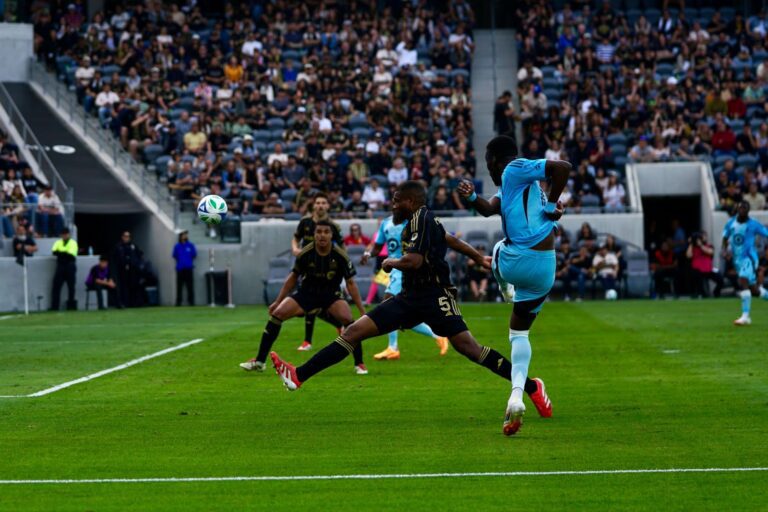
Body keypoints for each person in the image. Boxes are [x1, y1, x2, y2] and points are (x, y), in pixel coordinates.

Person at [271, 183, 523, 432]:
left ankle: (530, 387)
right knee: (352, 332)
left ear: (410, 202)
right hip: (410, 298)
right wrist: (478, 257)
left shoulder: (421, 220)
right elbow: (448, 239)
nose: (392, 205)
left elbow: (414, 261)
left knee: (469, 348)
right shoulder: (420, 222)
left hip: (435, 298)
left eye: (395, 200)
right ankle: (298, 375)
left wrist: (391, 262)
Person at [458, 134, 570, 434]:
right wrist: (470, 198)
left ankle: (504, 286)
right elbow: (487, 208)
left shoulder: (514, 169)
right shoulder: (522, 187)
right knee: (519, 333)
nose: (489, 170)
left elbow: (562, 167)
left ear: (494, 160)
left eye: (487, 163)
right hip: (545, 268)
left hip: (516, 260)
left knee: (495, 251)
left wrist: (552, 205)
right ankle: (517, 395)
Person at [241, 220, 368, 374]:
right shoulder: (305, 253)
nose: (322, 235)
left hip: (331, 295)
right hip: (306, 294)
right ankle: (260, 361)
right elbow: (292, 278)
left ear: (331, 235)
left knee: (349, 321)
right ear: (314, 234)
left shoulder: (340, 256)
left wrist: (362, 311)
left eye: (326, 232)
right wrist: (277, 301)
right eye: (318, 232)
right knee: (277, 315)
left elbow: (351, 284)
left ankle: (359, 363)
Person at [360, 213, 450, 360]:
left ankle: (393, 348)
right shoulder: (386, 223)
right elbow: (377, 247)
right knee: (403, 317)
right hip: (394, 269)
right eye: (394, 201)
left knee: (388, 304)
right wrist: (368, 254)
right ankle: (437, 335)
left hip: (406, 267)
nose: (396, 205)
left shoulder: (413, 223)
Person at [291, 194, 344, 351]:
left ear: (328, 206)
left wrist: (341, 266)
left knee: (319, 303)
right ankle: (336, 326)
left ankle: (310, 340)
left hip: (326, 269)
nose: (320, 205)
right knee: (308, 303)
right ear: (313, 205)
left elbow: (341, 247)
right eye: (318, 203)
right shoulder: (304, 222)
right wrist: (295, 249)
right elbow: (295, 238)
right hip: (306, 266)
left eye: (323, 203)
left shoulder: (333, 226)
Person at [722, 201, 768, 325]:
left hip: (750, 258)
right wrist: (724, 250)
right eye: (740, 207)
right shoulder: (731, 222)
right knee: (754, 289)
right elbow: (725, 237)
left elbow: (766, 233)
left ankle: (745, 316)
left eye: (745, 208)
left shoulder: (753, 224)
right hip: (737, 260)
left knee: (742, 281)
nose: (742, 210)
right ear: (737, 208)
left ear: (748, 210)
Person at [686, 231, 722, 298]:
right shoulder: (693, 248)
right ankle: (702, 294)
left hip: (708, 269)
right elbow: (688, 256)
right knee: (695, 276)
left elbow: (710, 252)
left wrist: (701, 245)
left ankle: (716, 292)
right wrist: (691, 243)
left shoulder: (709, 246)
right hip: (697, 270)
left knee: (720, 278)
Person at [50, 227, 78, 311]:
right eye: (63, 234)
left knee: (71, 287)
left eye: (66, 234)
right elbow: (54, 252)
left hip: (70, 266)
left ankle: (71, 306)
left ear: (69, 234)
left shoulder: (73, 243)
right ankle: (55, 306)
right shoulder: (58, 242)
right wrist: (64, 253)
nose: (64, 236)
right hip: (60, 266)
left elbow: (71, 255)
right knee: (56, 286)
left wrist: (61, 253)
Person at [113, 231, 141, 308]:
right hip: (122, 270)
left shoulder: (133, 246)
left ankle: (133, 303)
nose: (126, 238)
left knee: (133, 286)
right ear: (122, 237)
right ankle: (123, 303)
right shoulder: (118, 247)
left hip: (132, 270)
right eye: (125, 236)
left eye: (128, 236)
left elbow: (138, 255)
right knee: (123, 287)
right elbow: (116, 258)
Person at [173, 230, 197, 306]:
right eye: (183, 235)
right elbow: (175, 255)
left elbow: (194, 254)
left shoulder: (190, 245)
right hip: (180, 268)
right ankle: (178, 302)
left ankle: (191, 301)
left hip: (188, 268)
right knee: (179, 286)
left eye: (185, 235)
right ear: (180, 236)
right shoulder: (177, 246)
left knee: (190, 286)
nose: (185, 236)